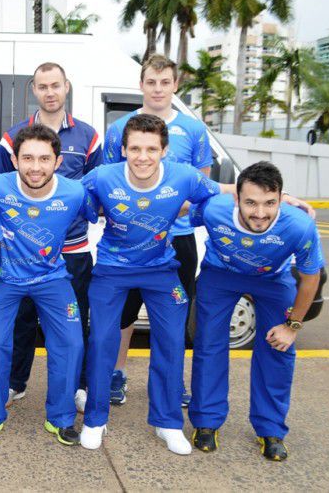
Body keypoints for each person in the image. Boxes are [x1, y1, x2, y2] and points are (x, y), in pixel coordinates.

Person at [80, 114, 223, 455]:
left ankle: (167, 422)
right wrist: (94, 209)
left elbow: (219, 195)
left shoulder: (184, 176)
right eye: (135, 149)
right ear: (124, 150)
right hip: (113, 268)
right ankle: (95, 419)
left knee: (173, 341)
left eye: (151, 149)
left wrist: (281, 197)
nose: (142, 157)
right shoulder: (103, 176)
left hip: (161, 269)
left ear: (164, 150)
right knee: (101, 339)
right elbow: (73, 197)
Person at [188, 161, 323, 461]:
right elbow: (182, 209)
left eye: (269, 203)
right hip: (221, 275)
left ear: (281, 199)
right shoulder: (214, 209)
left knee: (278, 348)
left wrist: (292, 326)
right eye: (251, 203)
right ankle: (206, 421)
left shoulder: (299, 225)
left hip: (272, 280)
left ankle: (271, 428)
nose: (260, 213)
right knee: (208, 344)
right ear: (236, 198)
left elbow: (310, 277)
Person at [102, 54, 212, 407]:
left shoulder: (193, 129)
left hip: (178, 238)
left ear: (175, 85)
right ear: (141, 84)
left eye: (165, 82)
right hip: (128, 240)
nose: (158, 89)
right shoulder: (119, 128)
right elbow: (108, 182)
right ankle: (116, 374)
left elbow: (201, 187)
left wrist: (164, 208)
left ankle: (171, 380)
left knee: (173, 315)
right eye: (151, 82)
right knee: (124, 314)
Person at [0, 62, 102, 411]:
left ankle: (77, 386)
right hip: (22, 250)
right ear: (34, 90)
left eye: (55, 85)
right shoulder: (13, 137)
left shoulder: (89, 136)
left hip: (72, 249)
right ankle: (15, 383)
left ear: (66, 86)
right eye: (42, 86)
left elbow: (94, 190)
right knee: (21, 321)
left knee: (74, 322)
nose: (50, 92)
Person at [0, 124, 88, 447]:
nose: (35, 167)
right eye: (27, 158)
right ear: (14, 160)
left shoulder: (75, 192)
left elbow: (100, 209)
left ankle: (61, 418)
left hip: (52, 277)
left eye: (44, 158)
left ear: (58, 161)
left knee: (72, 343)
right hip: (5, 279)